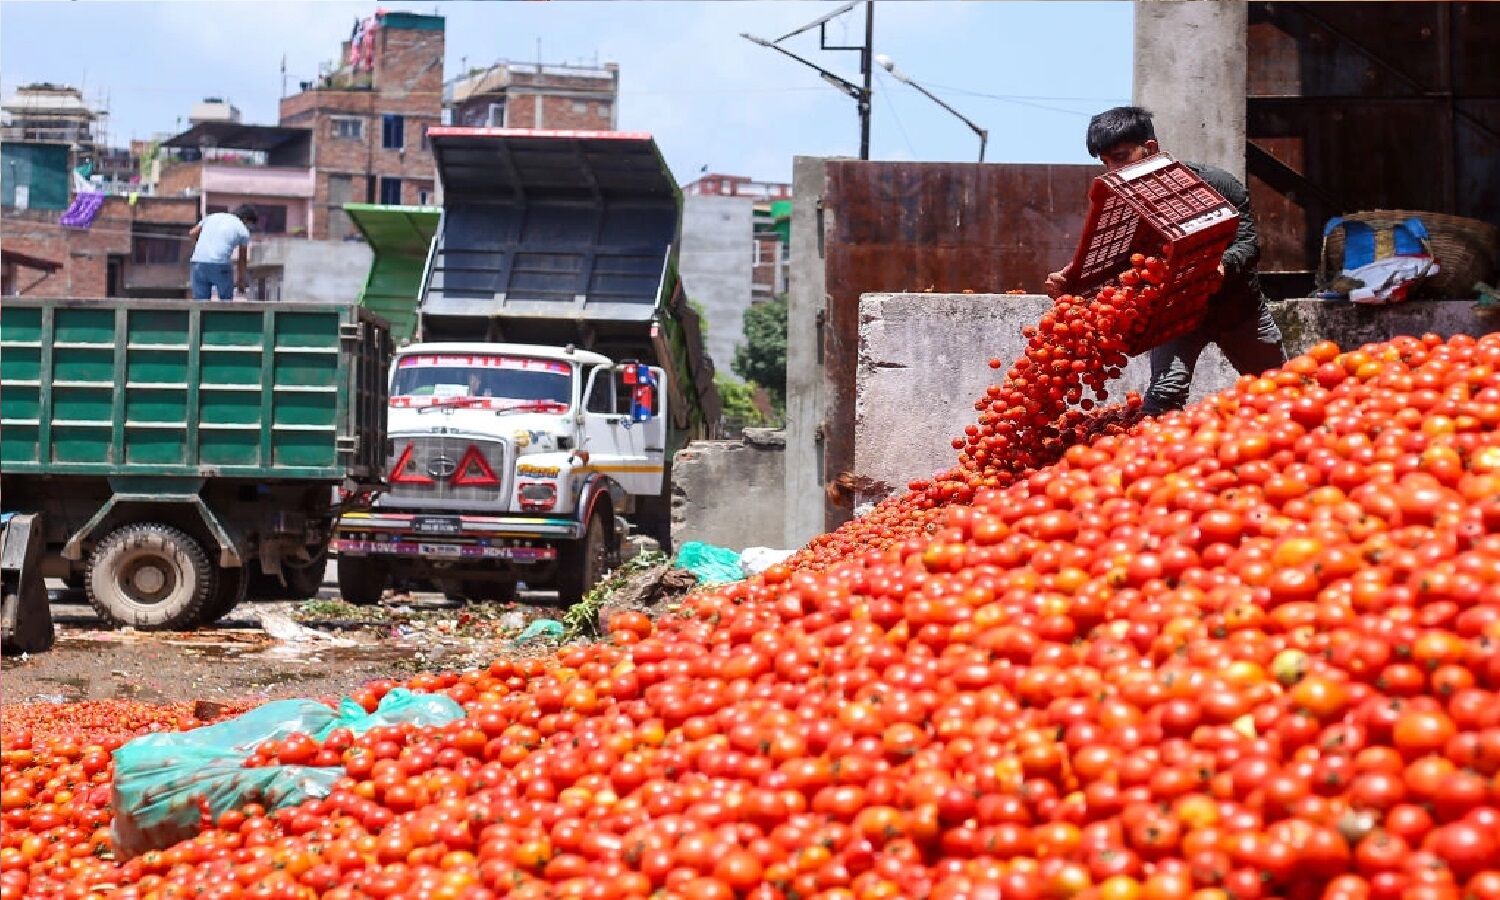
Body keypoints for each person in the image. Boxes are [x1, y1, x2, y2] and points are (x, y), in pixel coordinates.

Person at [1045, 107, 1286, 414]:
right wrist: (1074, 282)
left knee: (1280, 389)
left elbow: (1249, 245)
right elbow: (1114, 267)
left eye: (1119, 157)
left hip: (1237, 309)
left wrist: (1222, 265)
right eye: (1105, 162)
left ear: (1151, 149)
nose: (1111, 170)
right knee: (1164, 395)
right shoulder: (1119, 207)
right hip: (1176, 316)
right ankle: (1154, 457)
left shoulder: (1217, 184)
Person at [188, 205, 257, 300]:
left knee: (200, 303)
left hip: (198, 262)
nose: (250, 227)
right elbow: (242, 259)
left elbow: (192, 233)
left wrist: (200, 245)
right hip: (220, 264)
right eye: (250, 224)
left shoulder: (212, 217)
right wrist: (240, 281)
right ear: (245, 219)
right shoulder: (242, 230)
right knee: (226, 301)